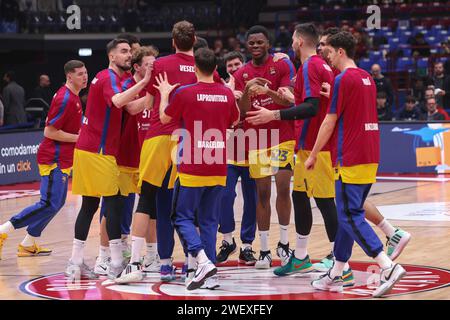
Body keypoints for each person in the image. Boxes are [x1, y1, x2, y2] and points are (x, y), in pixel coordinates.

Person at [116, 21, 221, 284]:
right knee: (188, 206)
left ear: (172, 41)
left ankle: (136, 264)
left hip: (158, 135)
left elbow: (149, 103)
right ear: (195, 39)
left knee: (147, 200)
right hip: (186, 140)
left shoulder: (161, 65)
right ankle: (191, 264)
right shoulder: (204, 68)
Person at [307, 31, 406, 297]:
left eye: (329, 50)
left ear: (340, 52)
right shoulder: (367, 77)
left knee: (349, 215)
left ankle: (387, 266)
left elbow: (330, 120)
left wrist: (314, 153)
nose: (325, 53)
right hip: (370, 154)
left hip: (349, 156)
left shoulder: (343, 78)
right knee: (347, 215)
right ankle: (336, 272)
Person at [246, 23, 345, 279]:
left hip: (317, 147)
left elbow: (311, 108)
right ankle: (300, 257)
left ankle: (338, 260)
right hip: (306, 147)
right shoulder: (318, 65)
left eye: (292, 39)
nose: (290, 44)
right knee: (300, 197)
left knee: (324, 202)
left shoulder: (311, 65)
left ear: (300, 41)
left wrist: (274, 114)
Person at [65, 38, 151, 281]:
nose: (128, 55)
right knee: (112, 204)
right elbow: (118, 101)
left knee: (92, 206)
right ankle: (114, 263)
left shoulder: (119, 80)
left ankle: (76, 261)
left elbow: (131, 108)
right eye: (123, 51)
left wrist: (154, 93)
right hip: (97, 151)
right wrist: (145, 82)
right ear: (112, 56)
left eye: (130, 51)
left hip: (95, 151)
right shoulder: (107, 78)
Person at [155, 48, 240, 290]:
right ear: (216, 69)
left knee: (180, 217)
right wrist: (230, 91)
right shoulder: (226, 93)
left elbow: (163, 118)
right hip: (218, 164)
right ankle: (210, 276)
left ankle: (202, 261)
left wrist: (163, 94)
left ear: (194, 68)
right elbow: (235, 120)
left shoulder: (185, 92)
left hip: (192, 164)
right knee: (209, 221)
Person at [0, 60, 87, 260]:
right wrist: (79, 138)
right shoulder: (65, 98)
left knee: (56, 203)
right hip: (53, 158)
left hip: (63, 159)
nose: (85, 76)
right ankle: (4, 229)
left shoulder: (74, 97)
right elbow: (49, 131)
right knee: (49, 202)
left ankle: (28, 243)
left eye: (85, 72)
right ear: (69, 76)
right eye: (80, 74)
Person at [233, 25, 296, 269]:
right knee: (262, 194)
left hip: (282, 136)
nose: (256, 46)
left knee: (282, 187)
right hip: (257, 140)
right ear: (247, 46)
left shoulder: (281, 65)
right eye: (252, 43)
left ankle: (284, 244)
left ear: (268, 44)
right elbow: (243, 111)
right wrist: (249, 90)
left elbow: (288, 101)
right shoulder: (242, 74)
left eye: (260, 42)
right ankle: (265, 249)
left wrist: (267, 90)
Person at [94, 46, 159, 276]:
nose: (154, 67)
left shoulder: (155, 85)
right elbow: (131, 108)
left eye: (156, 63)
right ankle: (102, 257)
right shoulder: (126, 84)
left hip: (147, 155)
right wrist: (152, 92)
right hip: (123, 156)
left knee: (149, 207)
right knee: (113, 209)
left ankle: (151, 256)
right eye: (149, 64)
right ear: (137, 67)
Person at [216, 50, 258, 266]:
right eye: (230, 65)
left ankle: (247, 246)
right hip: (230, 147)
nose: (233, 68)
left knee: (252, 199)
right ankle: (227, 240)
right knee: (224, 195)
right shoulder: (222, 88)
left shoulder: (254, 85)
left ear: (244, 65)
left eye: (236, 64)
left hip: (253, 146)